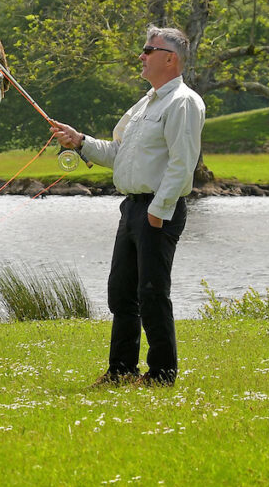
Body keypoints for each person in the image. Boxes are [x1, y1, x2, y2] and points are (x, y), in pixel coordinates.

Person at [47, 26, 205, 387]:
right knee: (121, 292)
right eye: (144, 49)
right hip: (131, 209)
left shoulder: (183, 102)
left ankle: (162, 374)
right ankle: (121, 371)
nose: (142, 55)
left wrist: (158, 210)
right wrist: (81, 141)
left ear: (171, 59)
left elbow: (183, 163)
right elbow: (119, 153)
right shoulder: (145, 104)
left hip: (157, 211)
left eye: (150, 50)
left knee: (152, 293)